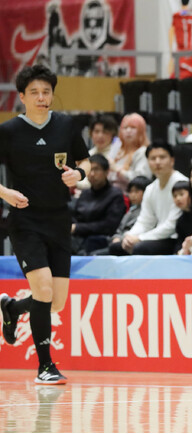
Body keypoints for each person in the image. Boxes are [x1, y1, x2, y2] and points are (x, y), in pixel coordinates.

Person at [0, 65, 90, 384]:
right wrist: (5, 192)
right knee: (43, 288)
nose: (41, 97)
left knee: (56, 302)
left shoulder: (66, 125)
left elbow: (85, 161)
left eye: (46, 92)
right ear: (22, 97)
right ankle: (46, 367)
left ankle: (12, 308)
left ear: (52, 94)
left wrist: (78, 174)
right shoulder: (8, 131)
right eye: (34, 92)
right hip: (25, 220)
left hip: (59, 219)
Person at [108, 142, 187, 255]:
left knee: (139, 248)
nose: (157, 162)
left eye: (162, 157)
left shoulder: (182, 184)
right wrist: (129, 236)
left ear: (172, 160)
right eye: (153, 158)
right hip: (156, 236)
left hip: (176, 237)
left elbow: (172, 225)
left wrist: (140, 238)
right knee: (116, 247)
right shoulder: (150, 189)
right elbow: (145, 221)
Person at [71, 154, 126, 255]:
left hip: (101, 240)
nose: (92, 174)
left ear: (106, 172)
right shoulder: (84, 194)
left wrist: (78, 228)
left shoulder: (115, 195)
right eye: (89, 170)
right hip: (79, 238)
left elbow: (109, 226)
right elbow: (76, 218)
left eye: (96, 169)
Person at [93, 175, 151, 255]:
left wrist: (121, 238)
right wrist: (116, 237)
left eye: (136, 191)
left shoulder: (148, 211)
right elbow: (119, 229)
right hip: (120, 240)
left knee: (96, 255)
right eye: (130, 191)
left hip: (133, 242)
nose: (133, 195)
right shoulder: (131, 211)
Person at [110, 113, 152, 192]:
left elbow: (142, 179)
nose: (128, 131)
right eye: (125, 128)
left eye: (133, 127)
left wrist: (118, 171)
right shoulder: (116, 149)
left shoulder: (143, 152)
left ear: (141, 131)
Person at [76, 113, 119, 191]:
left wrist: (75, 183)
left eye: (105, 132)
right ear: (91, 133)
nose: (100, 136)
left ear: (112, 134)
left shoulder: (118, 153)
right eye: (96, 131)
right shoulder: (88, 155)